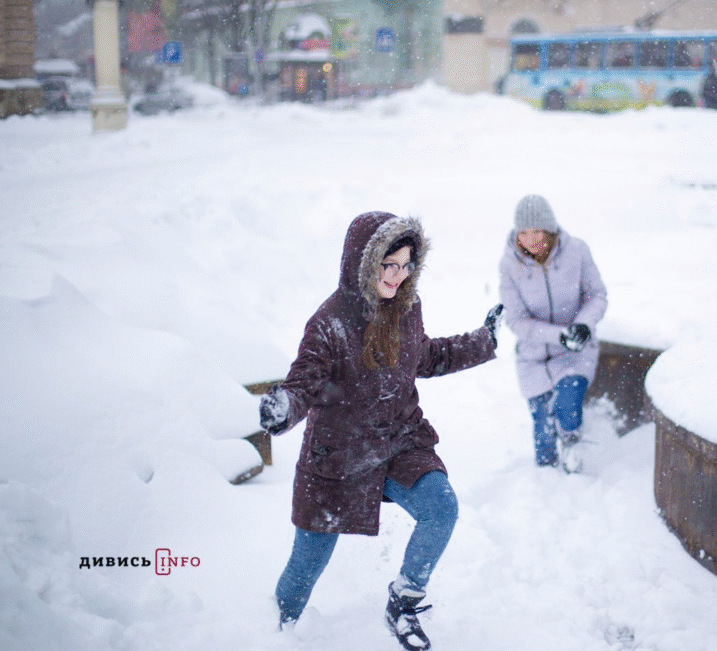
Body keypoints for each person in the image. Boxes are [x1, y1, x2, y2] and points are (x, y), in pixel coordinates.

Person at [259, 211, 504, 650]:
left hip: (399, 441)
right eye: (388, 265)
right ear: (364, 262)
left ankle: (404, 602)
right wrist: (284, 408)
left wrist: (482, 341)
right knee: (308, 563)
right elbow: (304, 382)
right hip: (339, 456)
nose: (397, 276)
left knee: (441, 508)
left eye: (406, 264)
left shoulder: (407, 308)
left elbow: (425, 357)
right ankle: (269, 632)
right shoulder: (329, 321)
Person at [498, 195, 608, 473]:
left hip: (575, 351)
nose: (530, 239)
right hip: (533, 357)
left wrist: (583, 325)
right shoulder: (510, 265)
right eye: (523, 232)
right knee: (543, 433)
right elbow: (517, 320)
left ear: (549, 229)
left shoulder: (577, 251)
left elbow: (596, 295)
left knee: (568, 407)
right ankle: (546, 482)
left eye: (537, 231)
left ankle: (573, 446)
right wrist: (558, 335)